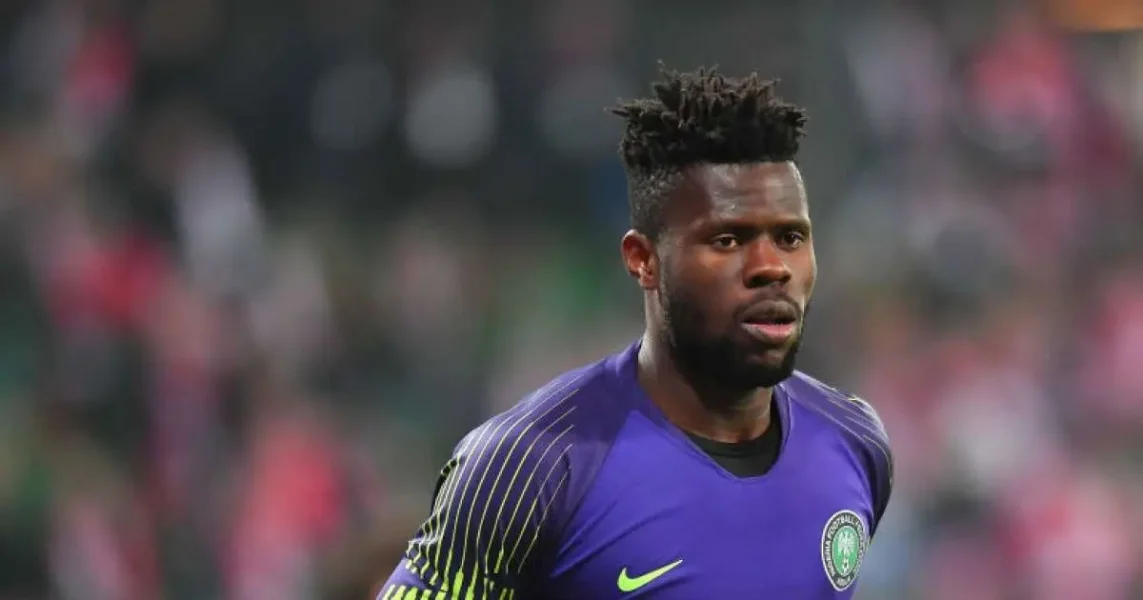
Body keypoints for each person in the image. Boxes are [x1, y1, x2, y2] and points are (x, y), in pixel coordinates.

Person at [377, 64, 893, 599]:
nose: (771, 267)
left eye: (790, 237)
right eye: (727, 240)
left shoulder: (854, 442)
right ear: (643, 260)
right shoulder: (532, 465)